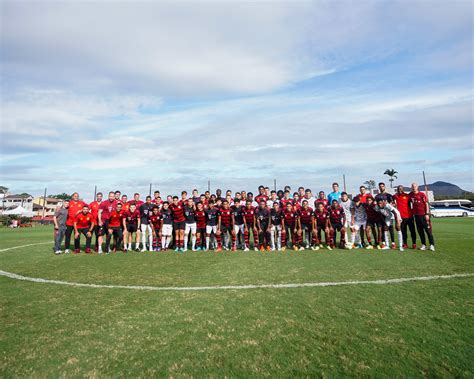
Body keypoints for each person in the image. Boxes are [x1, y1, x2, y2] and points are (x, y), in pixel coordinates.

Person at [409, 183, 435, 251]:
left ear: (417, 187)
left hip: (423, 215)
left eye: (415, 186)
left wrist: (427, 214)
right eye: (412, 187)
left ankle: (432, 245)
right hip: (416, 215)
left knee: (428, 231)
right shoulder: (410, 194)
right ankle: (424, 245)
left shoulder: (422, 194)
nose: (414, 188)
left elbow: (426, 204)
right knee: (420, 231)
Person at [393, 185, 417, 249]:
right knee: (403, 231)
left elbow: (413, 202)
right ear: (397, 190)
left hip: (409, 216)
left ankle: (414, 243)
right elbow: (390, 198)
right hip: (402, 217)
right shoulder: (395, 196)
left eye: (401, 189)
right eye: (398, 189)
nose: (400, 190)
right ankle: (405, 243)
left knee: (412, 231)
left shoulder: (407, 196)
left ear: (403, 189)